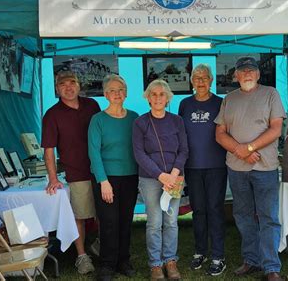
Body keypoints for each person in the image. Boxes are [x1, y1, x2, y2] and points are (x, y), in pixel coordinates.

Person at [215, 57, 286, 281]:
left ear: (258, 74)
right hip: (237, 168)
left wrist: (250, 147)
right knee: (243, 215)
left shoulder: (270, 94)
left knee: (268, 217)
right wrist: (240, 150)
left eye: (251, 70)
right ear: (235, 75)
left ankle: (271, 267)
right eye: (242, 71)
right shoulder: (229, 98)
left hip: (265, 168)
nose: (247, 74)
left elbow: (276, 129)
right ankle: (251, 260)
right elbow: (219, 133)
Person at [41, 71, 100, 275]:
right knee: (80, 216)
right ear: (57, 89)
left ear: (79, 85)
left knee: (104, 211)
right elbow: (48, 149)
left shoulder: (92, 105)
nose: (68, 87)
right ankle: (82, 256)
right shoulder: (52, 114)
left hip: (100, 169)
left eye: (72, 82)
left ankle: (101, 246)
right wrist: (53, 178)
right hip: (76, 173)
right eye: (63, 84)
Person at [132, 79, 189, 280]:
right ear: (148, 97)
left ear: (168, 98)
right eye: (153, 94)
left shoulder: (177, 121)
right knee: (155, 222)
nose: (157, 98)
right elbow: (139, 154)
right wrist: (161, 175)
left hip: (175, 178)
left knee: (171, 222)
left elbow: (184, 150)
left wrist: (173, 174)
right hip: (150, 179)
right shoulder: (140, 123)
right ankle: (155, 264)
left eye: (161, 94)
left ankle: (170, 261)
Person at [88, 75, 139, 281]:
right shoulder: (98, 120)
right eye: (112, 90)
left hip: (130, 177)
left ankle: (123, 261)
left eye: (121, 90)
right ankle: (107, 264)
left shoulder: (134, 118)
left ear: (126, 93)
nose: (117, 93)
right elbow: (94, 152)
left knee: (126, 221)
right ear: (105, 94)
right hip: (106, 179)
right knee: (109, 222)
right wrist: (103, 181)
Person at [178, 64, 227, 276]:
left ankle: (218, 255)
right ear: (191, 81)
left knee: (215, 209)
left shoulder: (221, 103)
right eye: (196, 77)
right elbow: (179, 135)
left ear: (211, 81)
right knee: (198, 210)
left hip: (216, 165)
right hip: (192, 166)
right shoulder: (184, 104)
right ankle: (200, 251)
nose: (200, 81)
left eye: (204, 77)